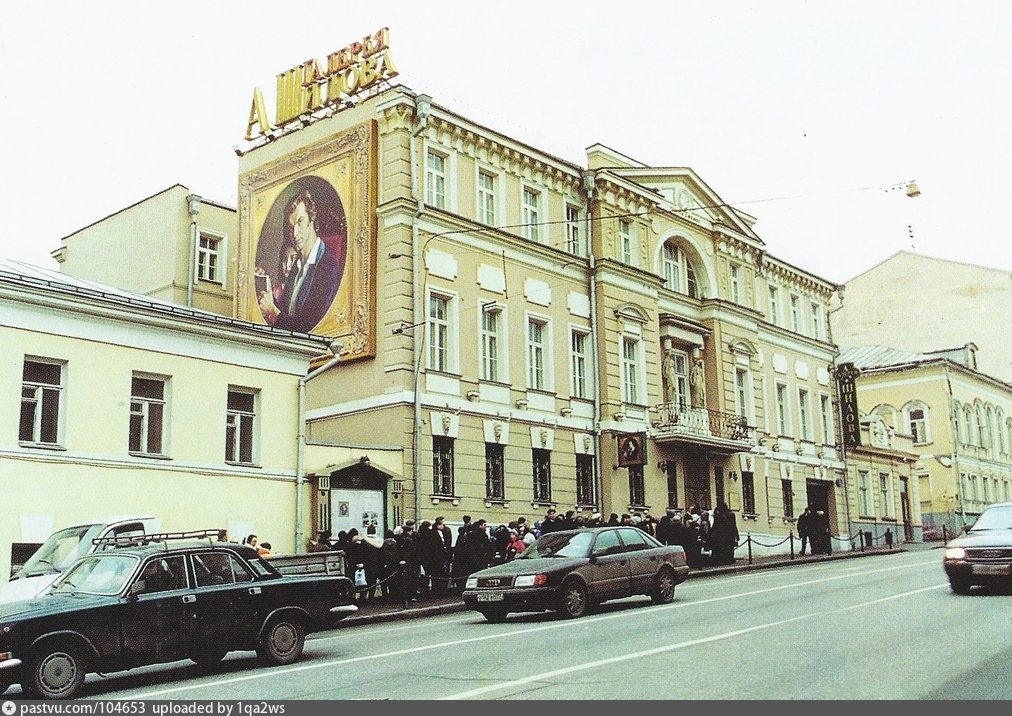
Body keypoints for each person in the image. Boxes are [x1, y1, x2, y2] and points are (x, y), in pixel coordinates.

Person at [255, 188, 342, 333]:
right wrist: (264, 286)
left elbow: (310, 327)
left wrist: (272, 312)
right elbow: (287, 313)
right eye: (291, 227)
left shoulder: (327, 265)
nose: (295, 234)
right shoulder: (297, 266)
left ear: (312, 220)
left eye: (300, 222)